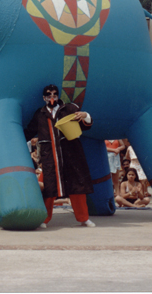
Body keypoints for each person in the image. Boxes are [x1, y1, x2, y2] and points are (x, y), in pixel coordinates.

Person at [24, 84, 95, 228]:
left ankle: (83, 218)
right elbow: (29, 132)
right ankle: (44, 219)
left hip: (71, 155)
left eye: (54, 95)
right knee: (49, 187)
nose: (52, 98)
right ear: (44, 98)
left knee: (77, 186)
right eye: (49, 95)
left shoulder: (69, 109)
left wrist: (86, 116)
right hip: (50, 157)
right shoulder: (40, 114)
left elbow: (85, 125)